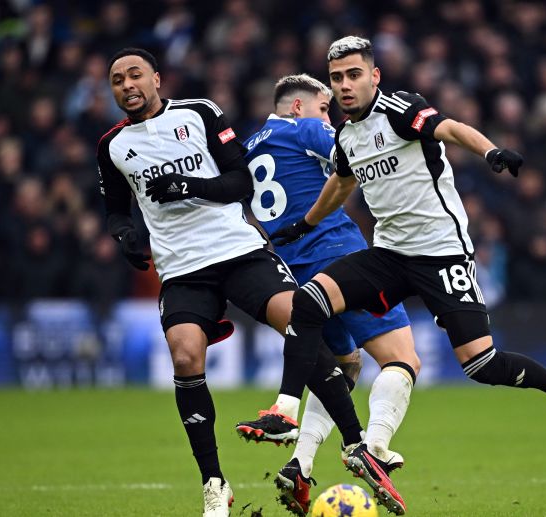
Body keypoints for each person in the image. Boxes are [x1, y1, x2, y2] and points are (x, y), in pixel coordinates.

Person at [241, 35, 546, 514]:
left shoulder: (399, 110)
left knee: (481, 365)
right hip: (389, 255)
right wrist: (304, 224)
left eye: (354, 75)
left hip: (441, 254)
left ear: (374, 76)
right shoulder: (346, 137)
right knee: (309, 302)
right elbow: (340, 182)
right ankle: (302, 417)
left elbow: (450, 128)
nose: (345, 86)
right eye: (336, 79)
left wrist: (492, 152)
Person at [98, 48, 366, 517]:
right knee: (184, 356)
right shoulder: (112, 147)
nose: (126, 85)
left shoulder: (200, 113)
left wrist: (188, 186)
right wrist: (123, 234)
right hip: (182, 268)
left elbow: (241, 182)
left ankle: (355, 443)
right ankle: (214, 484)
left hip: (238, 250)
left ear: (157, 79)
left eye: (135, 74)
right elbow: (117, 207)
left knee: (298, 318)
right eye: (117, 80)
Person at [240, 73, 420, 516]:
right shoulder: (304, 127)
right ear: (299, 107)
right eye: (324, 108)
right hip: (338, 257)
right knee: (404, 358)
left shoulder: (248, 147)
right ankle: (373, 445)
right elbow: (355, 153)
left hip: (292, 271)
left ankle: (299, 464)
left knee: (345, 365)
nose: (330, 116)